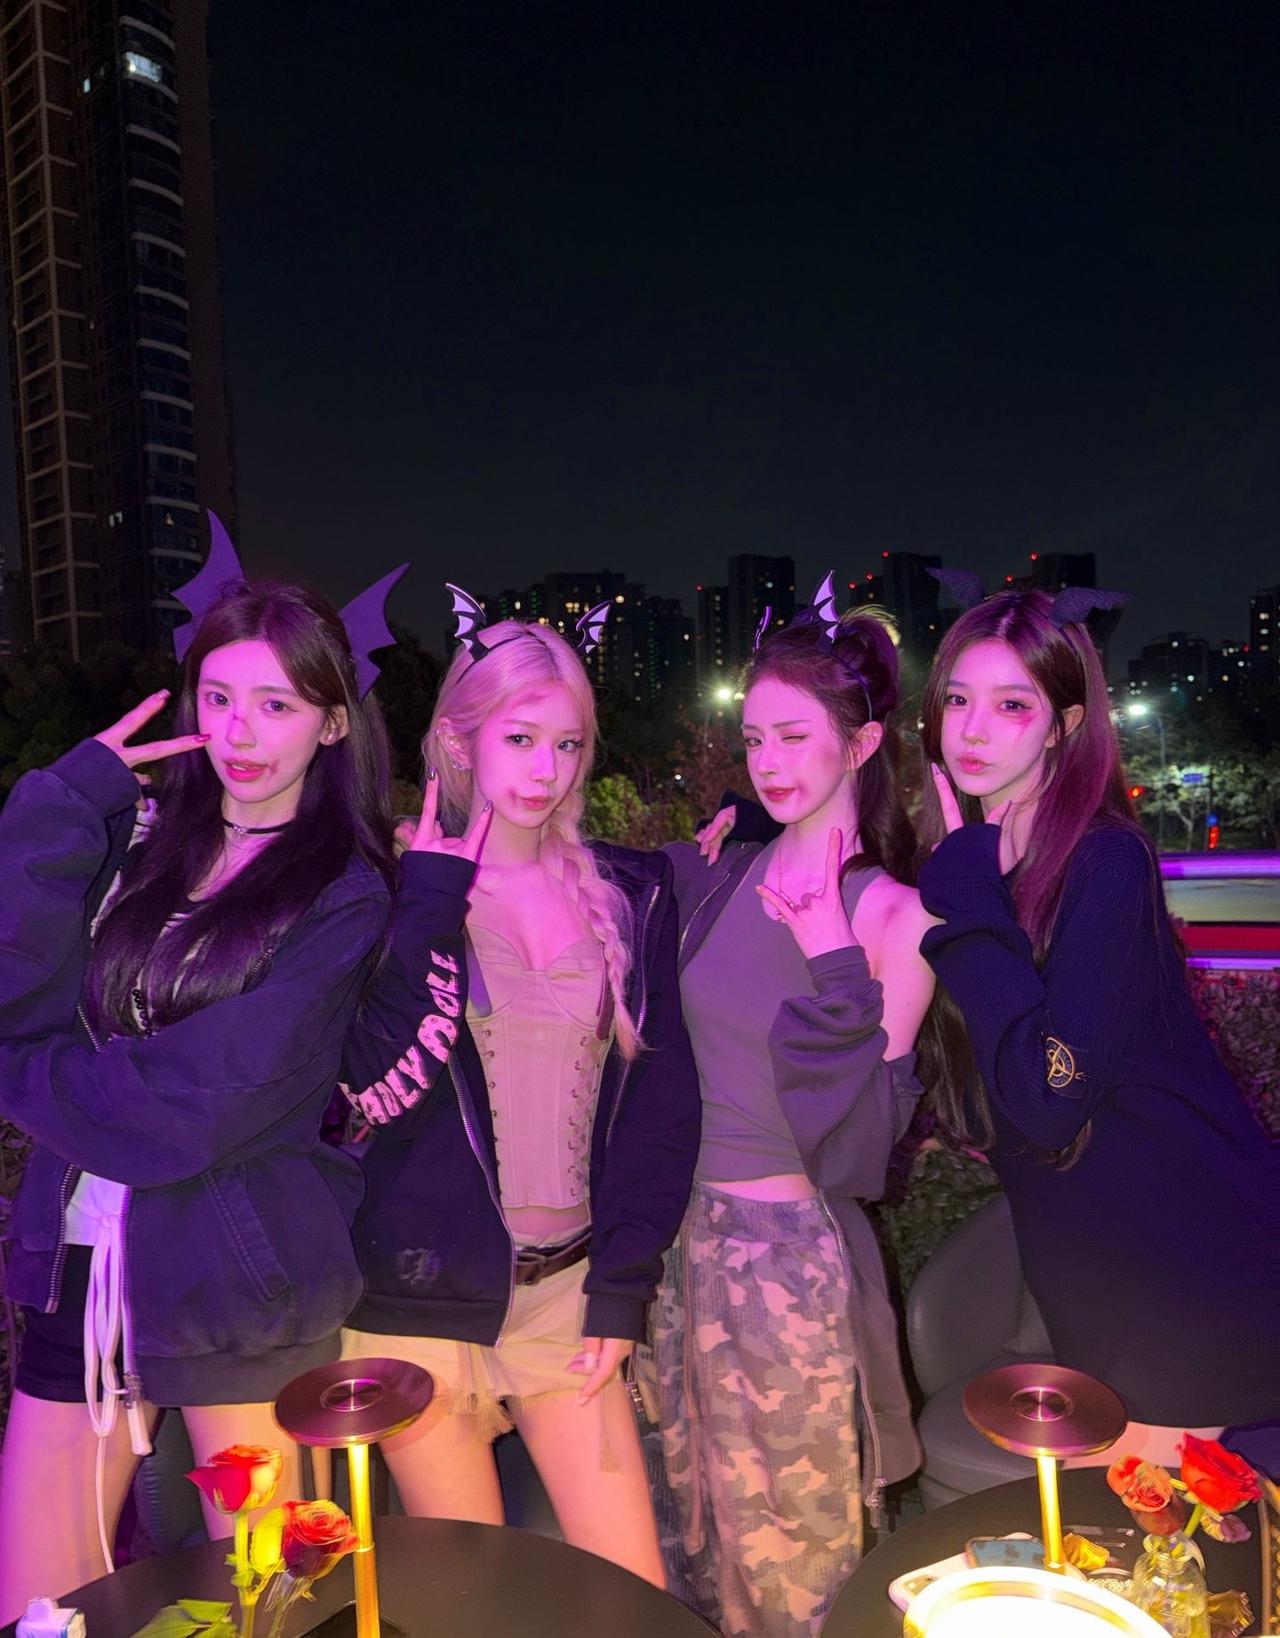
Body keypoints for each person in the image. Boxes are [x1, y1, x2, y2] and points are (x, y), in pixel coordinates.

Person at [0, 529, 401, 1620]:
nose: (238, 732)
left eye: (276, 705)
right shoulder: (137, 847)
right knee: (40, 1607)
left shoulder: (341, 892)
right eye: (217, 699)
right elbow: (16, 990)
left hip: (236, 1284)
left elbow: (195, 1103)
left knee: (269, 1600)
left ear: (331, 723)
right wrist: (63, 800)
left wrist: (29, 1076)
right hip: (82, 1267)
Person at [339, 590, 700, 1587]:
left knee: (633, 1591)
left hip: (569, 1294)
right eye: (520, 739)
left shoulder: (631, 894)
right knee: (471, 1600)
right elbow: (359, 1087)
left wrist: (621, 1289)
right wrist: (426, 911)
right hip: (413, 1297)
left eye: (567, 745)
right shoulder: (388, 890)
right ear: (459, 743)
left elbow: (661, 1113)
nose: (545, 770)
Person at [916, 585, 1279, 1459]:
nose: (973, 730)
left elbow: (1048, 1098)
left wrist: (964, 898)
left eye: (1012, 705)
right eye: (957, 700)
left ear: (1063, 724)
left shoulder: (1103, 860)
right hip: (1091, 1264)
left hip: (1180, 1263)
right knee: (1145, 1529)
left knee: (1154, 1530)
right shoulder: (992, 866)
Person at [641, 581, 935, 1638]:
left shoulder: (894, 915)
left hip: (787, 1266)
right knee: (695, 1539)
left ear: (861, 745)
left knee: (796, 1566)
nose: (767, 761)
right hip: (680, 1247)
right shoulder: (724, 875)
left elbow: (860, 1152)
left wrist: (832, 963)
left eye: (794, 736)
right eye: (754, 737)